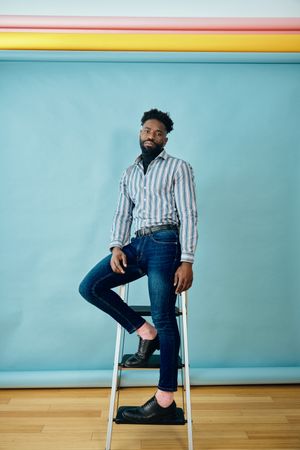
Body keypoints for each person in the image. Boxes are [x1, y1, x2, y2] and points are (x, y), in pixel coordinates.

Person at [79, 108, 198, 423]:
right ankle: (145, 332)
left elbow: (189, 215)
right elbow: (122, 214)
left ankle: (164, 399)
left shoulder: (178, 167)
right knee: (90, 287)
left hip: (165, 244)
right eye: (147, 130)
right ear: (140, 132)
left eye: (158, 132)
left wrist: (187, 260)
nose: (151, 135)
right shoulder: (129, 173)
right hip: (136, 245)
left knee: (164, 316)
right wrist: (116, 246)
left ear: (165, 139)